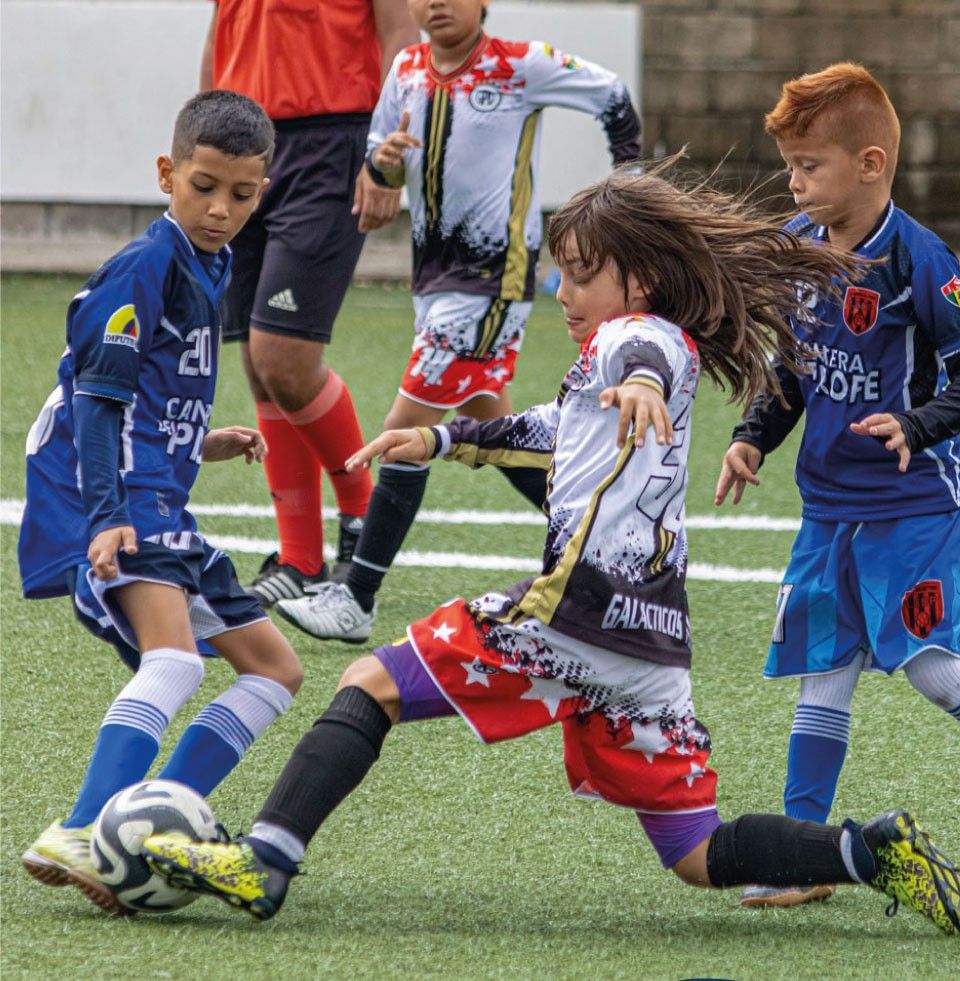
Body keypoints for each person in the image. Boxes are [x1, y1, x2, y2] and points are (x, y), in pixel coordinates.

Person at [142, 165, 960, 937]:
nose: (561, 290)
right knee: (695, 851)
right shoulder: (637, 352)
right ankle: (869, 849)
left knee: (369, 681)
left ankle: (265, 862)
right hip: (649, 644)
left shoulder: (639, 341)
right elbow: (547, 428)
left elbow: (639, 362)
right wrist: (438, 440)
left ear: (637, 281)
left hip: (571, 612)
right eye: (560, 272)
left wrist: (640, 382)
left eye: (579, 274)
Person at [714, 63, 960, 909]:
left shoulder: (920, 258)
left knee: (930, 667)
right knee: (822, 669)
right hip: (829, 510)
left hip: (917, 508)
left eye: (811, 166)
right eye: (792, 166)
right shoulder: (798, 245)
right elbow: (791, 371)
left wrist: (915, 426)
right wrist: (749, 438)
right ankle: (808, 854)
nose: (795, 182)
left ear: (870, 164)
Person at [272, 0, 643, 644]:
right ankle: (615, 559)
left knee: (404, 427)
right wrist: (382, 163)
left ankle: (356, 598)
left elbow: (613, 96)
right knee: (489, 427)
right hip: (435, 279)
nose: (435, 2)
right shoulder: (407, 68)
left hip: (489, 279)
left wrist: (629, 189)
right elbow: (379, 165)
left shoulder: (519, 65)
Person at [17, 91, 305, 916]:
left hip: (153, 492)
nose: (221, 209)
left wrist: (196, 440)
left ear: (263, 189)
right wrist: (108, 512)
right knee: (174, 660)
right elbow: (96, 400)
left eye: (243, 195)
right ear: (166, 173)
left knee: (275, 669)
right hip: (115, 502)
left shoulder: (206, 262)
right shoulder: (148, 262)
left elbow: (142, 389)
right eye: (204, 186)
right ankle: (84, 828)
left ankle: (143, 831)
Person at [201, 0, 419, 607]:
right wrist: (201, 143)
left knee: (284, 357)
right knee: (257, 359)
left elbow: (402, 35)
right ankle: (300, 560)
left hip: (332, 144)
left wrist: (384, 159)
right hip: (242, 147)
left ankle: (360, 512)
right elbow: (221, 36)